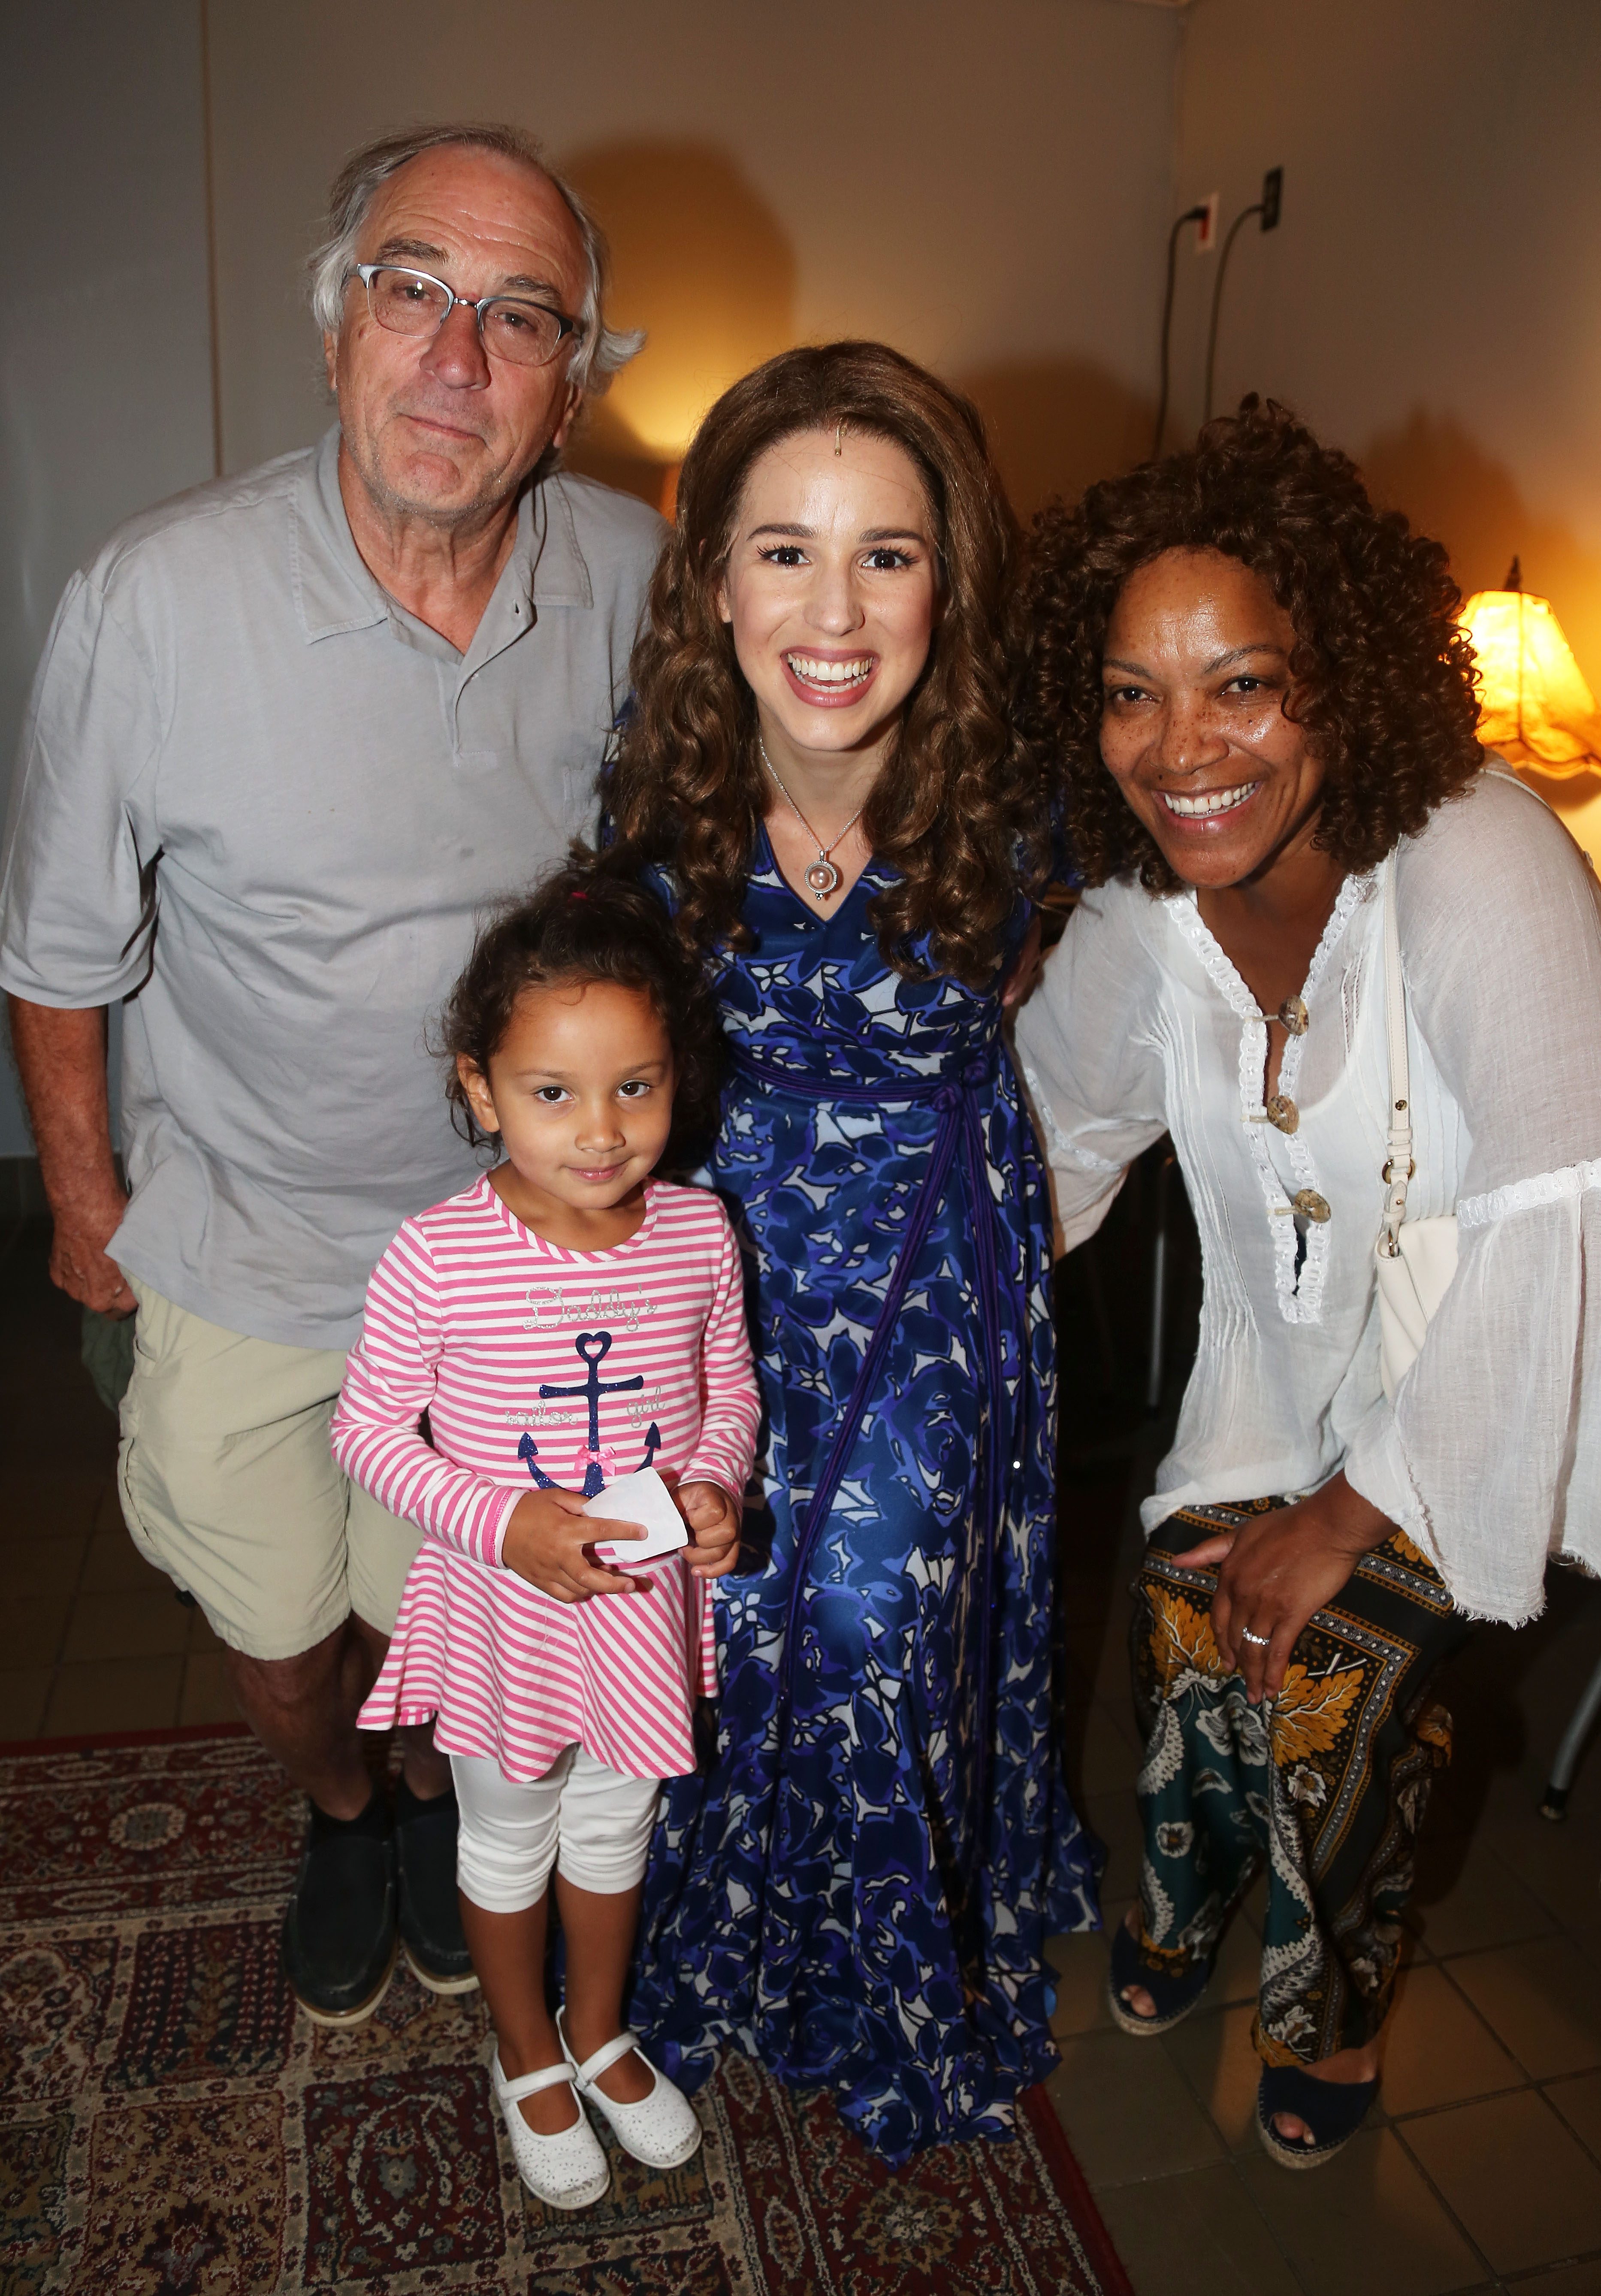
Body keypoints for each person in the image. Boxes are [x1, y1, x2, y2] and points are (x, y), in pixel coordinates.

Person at [0, 122, 663, 2024]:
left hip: (507, 1266)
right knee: (285, 1632)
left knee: (440, 1612)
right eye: (412, 290)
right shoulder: (153, 601)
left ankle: (444, 1791)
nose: (456, 360)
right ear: (333, 329)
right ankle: (342, 1807)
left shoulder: (642, 575)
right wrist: (87, 1212)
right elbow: (55, 957)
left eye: (520, 317)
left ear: (570, 382)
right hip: (247, 1247)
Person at [1013, 399, 1601, 2166]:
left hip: (1515, 1377)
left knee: (1323, 1661)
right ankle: (1189, 1913)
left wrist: (1349, 1511)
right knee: (1192, 1601)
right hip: (1284, 1385)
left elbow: (1555, 1224)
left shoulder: (1485, 857)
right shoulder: (1141, 917)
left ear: (1339, 681)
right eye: (1132, 692)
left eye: (1241, 683)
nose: (1180, 748)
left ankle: (1328, 2016)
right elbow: (1038, 1153)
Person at [604, 341, 1101, 2162]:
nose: (836, 609)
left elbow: (1071, 1011)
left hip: (929, 1264)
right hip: (707, 1269)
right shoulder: (652, 789)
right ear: (715, 576)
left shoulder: (1027, 793)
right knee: (713, 1611)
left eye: (887, 553)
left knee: (874, 1617)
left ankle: (880, 1981)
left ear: (947, 577)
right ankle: (710, 1955)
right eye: (787, 550)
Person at [331, 867, 759, 2208]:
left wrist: (713, 1491)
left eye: (636, 1085)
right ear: (480, 1090)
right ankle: (524, 2047)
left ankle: (598, 2028)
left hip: (636, 1617)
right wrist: (499, 1518)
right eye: (551, 1093)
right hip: (503, 1621)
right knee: (509, 1832)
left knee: (614, 1826)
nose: (600, 1130)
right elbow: (367, 1434)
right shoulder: (435, 1256)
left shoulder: (698, 1230)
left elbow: (729, 1390)